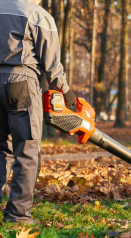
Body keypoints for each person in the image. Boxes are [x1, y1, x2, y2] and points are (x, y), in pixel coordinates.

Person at [0, 0, 76, 224]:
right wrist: (66, 91)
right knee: (27, 148)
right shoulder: (37, 14)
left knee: (1, 148)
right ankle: (18, 215)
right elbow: (52, 64)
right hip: (21, 81)